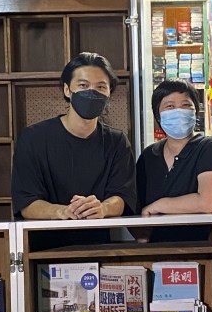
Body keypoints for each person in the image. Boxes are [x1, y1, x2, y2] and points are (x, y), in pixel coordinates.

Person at [11, 52, 136, 220]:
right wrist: (61, 211)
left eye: (100, 87)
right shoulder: (33, 139)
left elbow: (123, 196)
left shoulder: (117, 142)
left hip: (99, 242)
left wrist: (103, 208)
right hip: (44, 242)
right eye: (83, 85)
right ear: (67, 89)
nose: (92, 93)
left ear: (109, 93)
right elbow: (26, 202)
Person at [136, 80, 212, 217]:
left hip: (204, 238)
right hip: (157, 238)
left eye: (185, 105)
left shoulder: (209, 147)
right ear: (158, 115)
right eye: (170, 106)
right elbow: (138, 204)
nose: (178, 111)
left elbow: (209, 202)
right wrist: (142, 234)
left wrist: (159, 205)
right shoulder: (149, 155)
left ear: (195, 111)